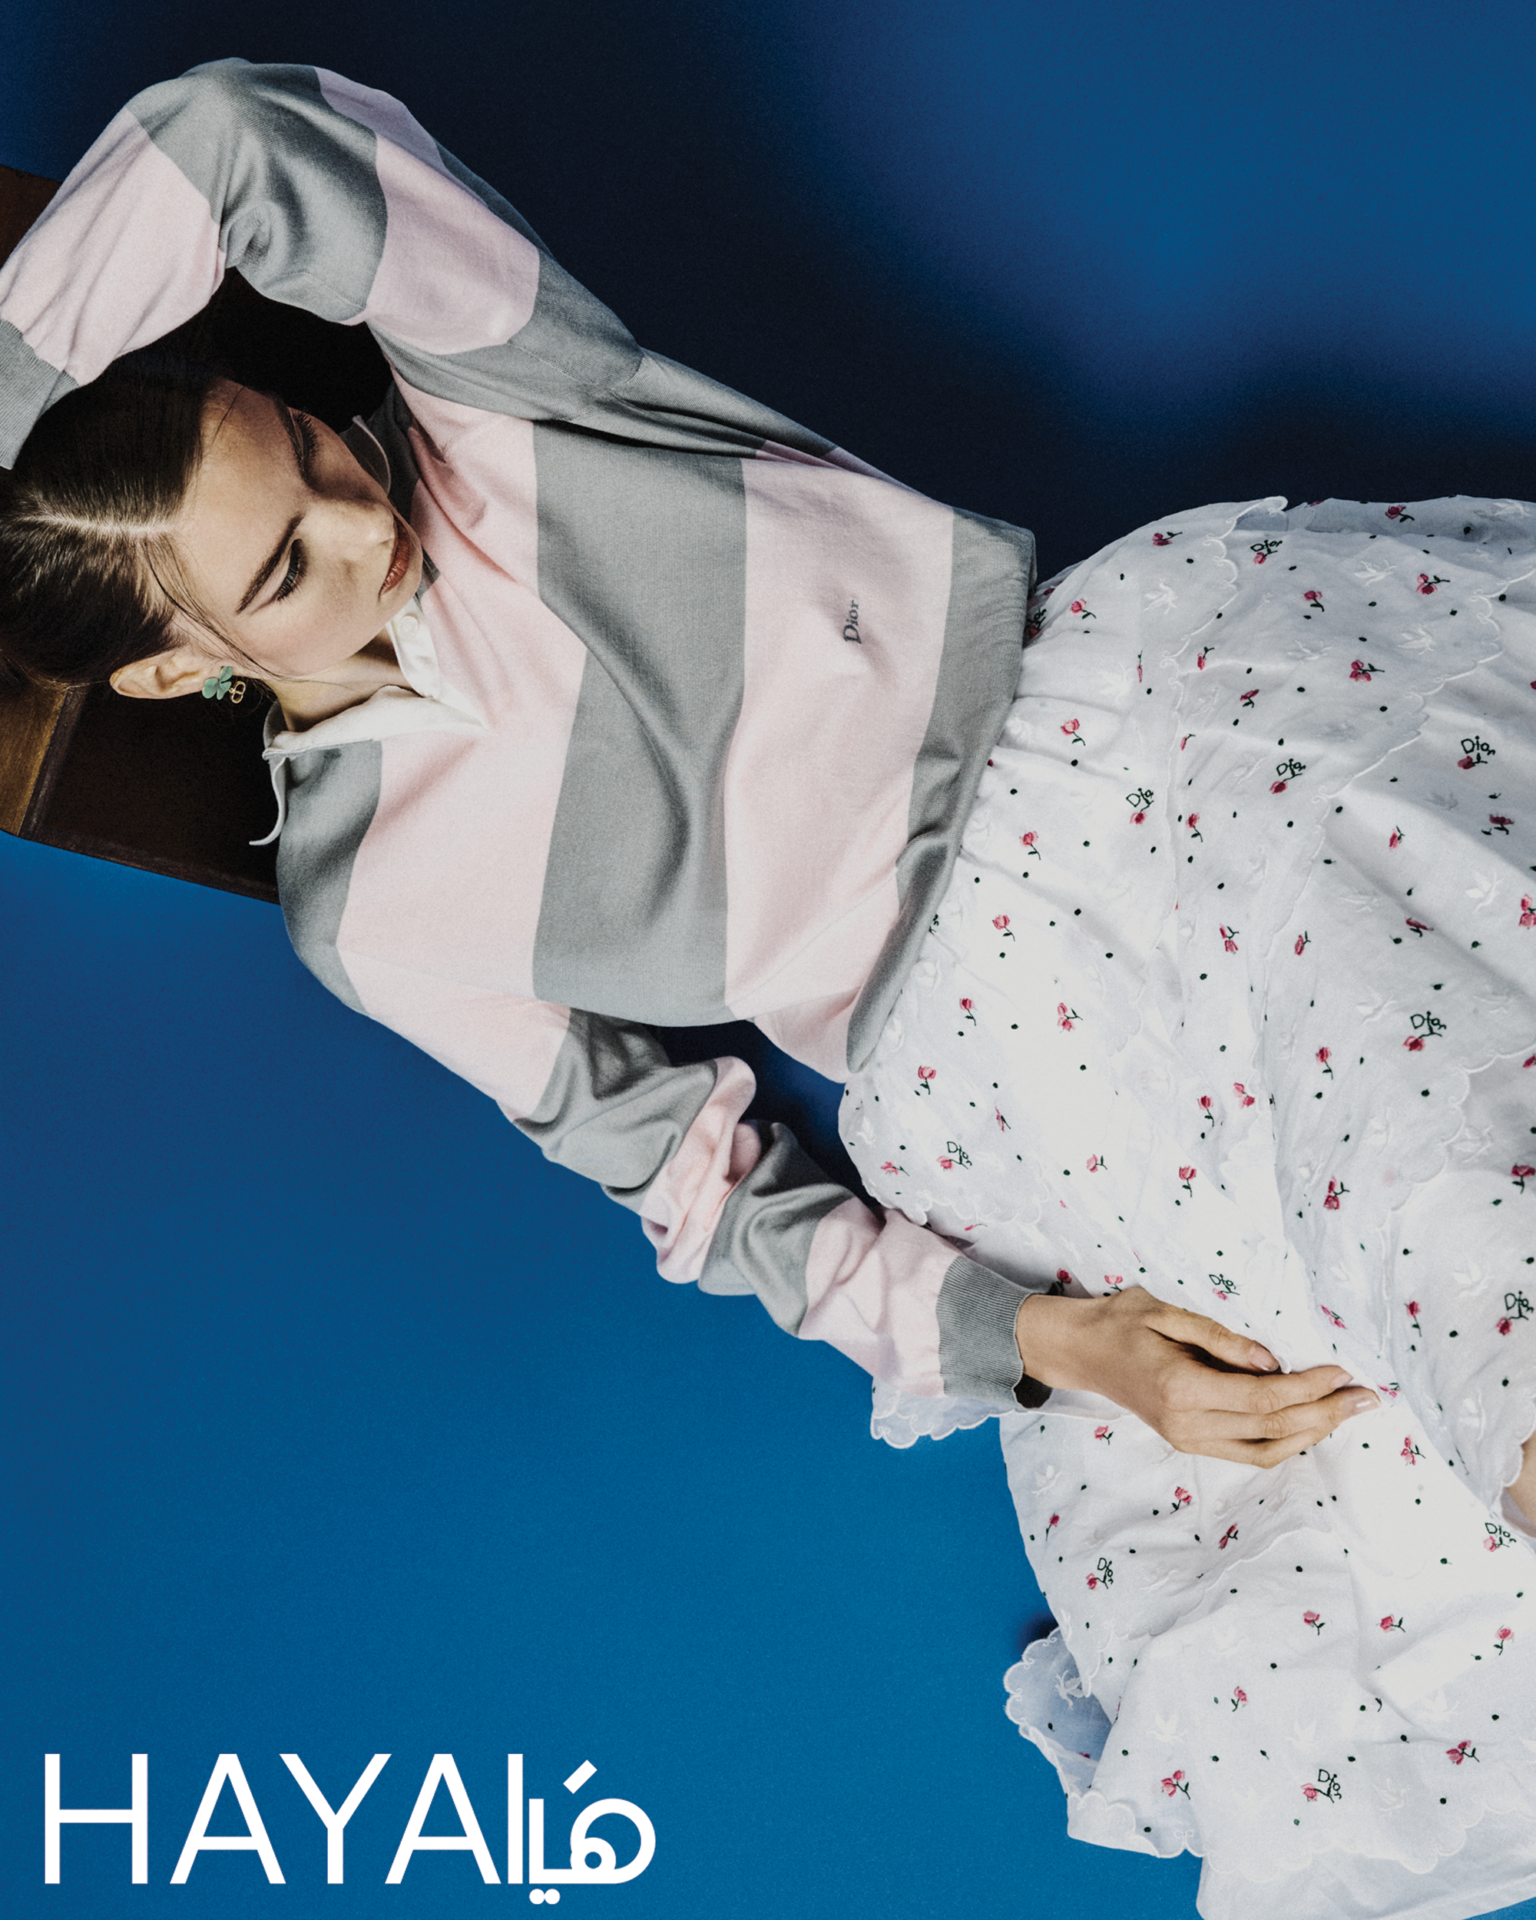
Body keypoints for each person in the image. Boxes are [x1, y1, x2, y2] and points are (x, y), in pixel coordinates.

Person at [1, 58, 1532, 1920]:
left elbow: (236, 132)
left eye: (309, 444)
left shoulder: (498, 398)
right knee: (1377, 1502)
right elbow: (699, 1188)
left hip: (1148, 725)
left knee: (1444, 1157)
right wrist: (1051, 1345)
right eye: (285, 565)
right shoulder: (372, 913)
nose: (356, 509)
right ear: (180, 674)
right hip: (1021, 1064)